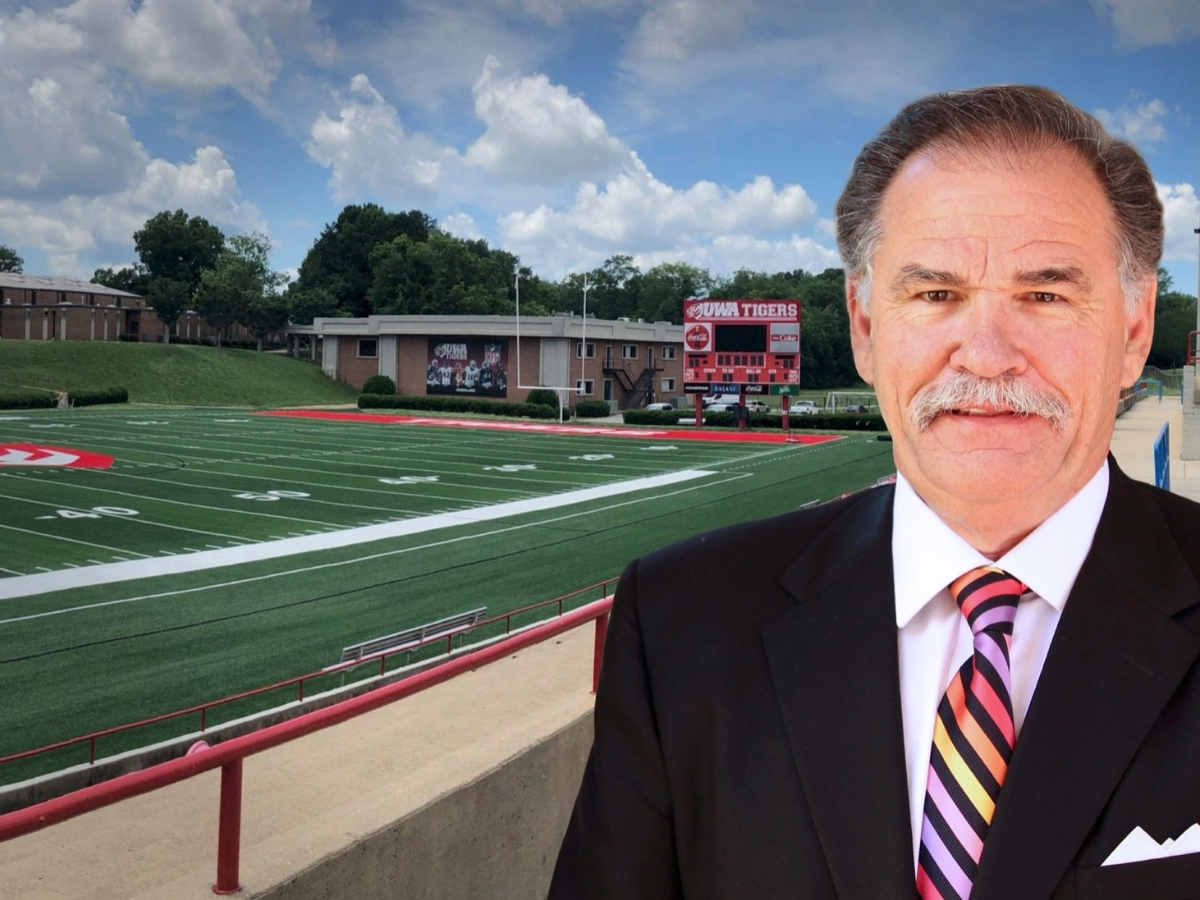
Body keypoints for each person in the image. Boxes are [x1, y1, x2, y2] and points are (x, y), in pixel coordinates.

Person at [549, 85, 1200, 900]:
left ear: (1135, 327)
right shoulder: (684, 625)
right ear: (863, 324)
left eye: (1046, 294)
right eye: (936, 294)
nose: (988, 355)